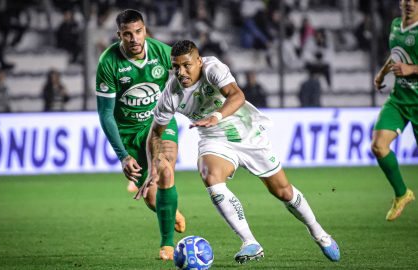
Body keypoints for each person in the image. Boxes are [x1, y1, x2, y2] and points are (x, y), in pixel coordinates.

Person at [143, 40, 340, 264]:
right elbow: (156, 133)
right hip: (213, 138)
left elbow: (237, 96)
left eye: (187, 65)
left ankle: (319, 234)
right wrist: (152, 170)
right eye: (176, 67)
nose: (181, 72)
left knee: (283, 191)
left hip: (246, 132)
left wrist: (216, 116)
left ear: (199, 61)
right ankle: (249, 242)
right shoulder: (171, 92)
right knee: (210, 176)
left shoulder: (213, 69)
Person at [95, 9, 185, 261]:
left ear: (145, 30)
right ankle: (169, 210)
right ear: (119, 35)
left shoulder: (161, 52)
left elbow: (190, 74)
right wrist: (123, 156)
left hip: (159, 124)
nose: (134, 38)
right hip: (128, 134)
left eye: (138, 32)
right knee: (152, 197)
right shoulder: (109, 62)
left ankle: (167, 246)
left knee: (165, 169)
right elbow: (105, 114)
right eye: (127, 34)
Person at [372, 0, 417, 221]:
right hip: (399, 100)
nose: (410, 3)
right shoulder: (396, 24)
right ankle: (402, 193)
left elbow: (406, 64)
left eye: (416, 0)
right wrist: (382, 73)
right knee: (379, 146)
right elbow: (396, 54)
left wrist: (412, 69)